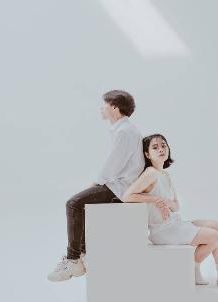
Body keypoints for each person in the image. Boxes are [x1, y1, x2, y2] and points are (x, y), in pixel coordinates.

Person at [122, 134, 218, 291]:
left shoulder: (164, 175)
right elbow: (127, 196)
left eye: (163, 145)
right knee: (213, 236)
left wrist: (165, 202)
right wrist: (154, 199)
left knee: (216, 226)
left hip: (174, 223)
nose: (161, 149)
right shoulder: (150, 173)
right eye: (155, 147)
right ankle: (192, 269)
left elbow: (176, 206)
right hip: (163, 230)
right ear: (147, 154)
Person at [47, 90, 145, 282]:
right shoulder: (123, 129)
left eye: (104, 105)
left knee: (73, 204)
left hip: (120, 188)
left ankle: (73, 259)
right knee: (80, 204)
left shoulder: (125, 131)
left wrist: (97, 182)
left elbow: (114, 164)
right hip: (119, 184)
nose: (101, 108)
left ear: (115, 108)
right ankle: (83, 254)